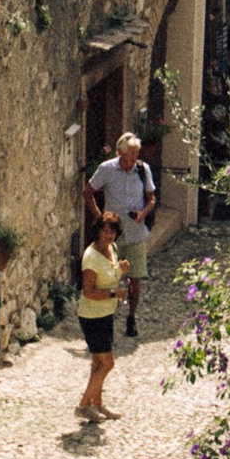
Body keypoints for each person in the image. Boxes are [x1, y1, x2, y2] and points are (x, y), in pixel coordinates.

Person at [86, 128, 158, 342]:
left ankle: (131, 318)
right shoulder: (106, 169)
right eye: (131, 153)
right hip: (111, 237)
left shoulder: (143, 170)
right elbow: (88, 192)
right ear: (120, 152)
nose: (134, 158)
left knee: (134, 278)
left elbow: (151, 198)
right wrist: (100, 218)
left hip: (135, 234)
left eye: (136, 153)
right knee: (106, 279)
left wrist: (143, 214)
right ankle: (103, 319)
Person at [76, 212, 125, 420]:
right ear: (97, 231)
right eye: (105, 230)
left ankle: (98, 404)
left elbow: (110, 275)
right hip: (92, 316)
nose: (109, 235)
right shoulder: (91, 257)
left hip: (106, 313)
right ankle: (82, 406)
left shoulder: (112, 249)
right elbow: (89, 292)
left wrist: (120, 270)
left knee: (97, 363)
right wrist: (114, 293)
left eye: (112, 231)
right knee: (108, 363)